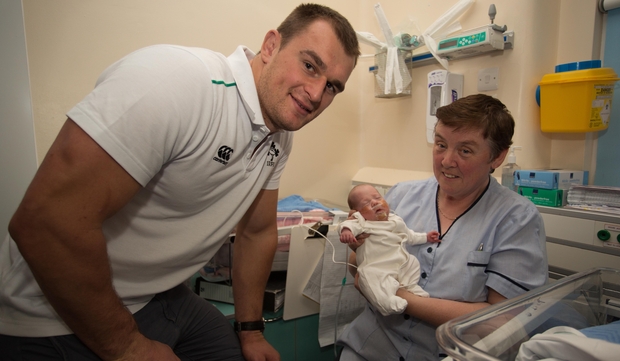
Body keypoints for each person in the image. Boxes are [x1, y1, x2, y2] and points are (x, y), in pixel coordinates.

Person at [0, 4, 360, 361]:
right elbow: (45, 222)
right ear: (270, 46)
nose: (315, 94)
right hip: (51, 311)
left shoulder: (279, 136)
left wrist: (251, 331)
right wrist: (129, 347)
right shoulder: (180, 81)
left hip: (159, 297)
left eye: (331, 87)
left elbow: (257, 231)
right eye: (309, 66)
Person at [337, 94, 548, 361]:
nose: (447, 160)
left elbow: (501, 320)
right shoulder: (401, 197)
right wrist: (358, 250)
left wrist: (398, 297)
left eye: (465, 150)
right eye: (440, 145)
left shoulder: (516, 220)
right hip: (371, 347)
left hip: (449, 353)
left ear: (498, 157)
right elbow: (357, 268)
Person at [338, 184, 438, 316]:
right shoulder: (362, 222)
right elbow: (347, 224)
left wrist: (426, 237)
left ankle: (410, 286)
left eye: (377, 197)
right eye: (366, 202)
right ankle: (386, 302)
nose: (374, 202)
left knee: (413, 263)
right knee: (368, 277)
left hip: (400, 262)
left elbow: (410, 236)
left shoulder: (395, 220)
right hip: (376, 265)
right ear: (358, 213)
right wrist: (346, 231)